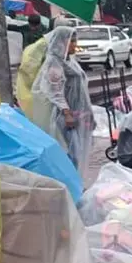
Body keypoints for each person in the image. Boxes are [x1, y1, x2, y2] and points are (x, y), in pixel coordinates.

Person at [30, 27, 95, 172]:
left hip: (76, 111)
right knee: (70, 152)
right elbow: (54, 91)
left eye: (75, 41)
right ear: (61, 42)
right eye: (71, 41)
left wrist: (88, 112)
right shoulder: (54, 63)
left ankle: (75, 179)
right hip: (65, 115)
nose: (75, 45)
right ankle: (69, 180)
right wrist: (66, 113)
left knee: (78, 151)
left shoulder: (70, 61)